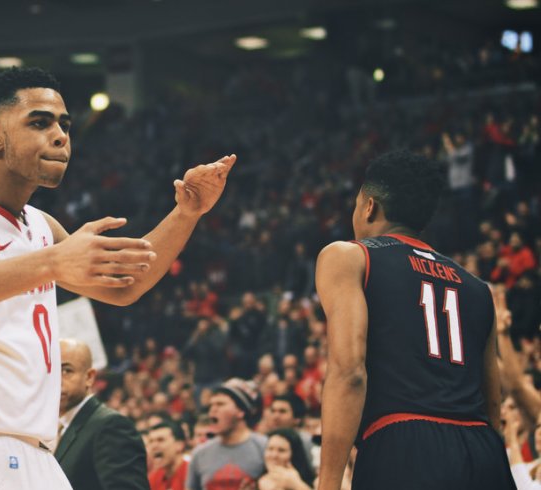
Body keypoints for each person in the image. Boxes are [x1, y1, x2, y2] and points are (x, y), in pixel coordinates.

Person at [0, 66, 235, 490]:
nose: (60, 135)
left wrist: (187, 212)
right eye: (39, 122)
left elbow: (127, 284)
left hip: (35, 451)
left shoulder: (40, 227)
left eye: (64, 124)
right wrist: (50, 264)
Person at [315, 150, 516, 490]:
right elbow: (491, 402)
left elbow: (349, 373)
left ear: (369, 206)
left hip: (403, 443)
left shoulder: (350, 256)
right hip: (483, 451)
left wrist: (329, 483)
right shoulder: (477, 287)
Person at [54, 339, 149, 490]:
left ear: (89, 377)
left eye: (66, 371)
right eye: (50, 371)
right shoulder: (49, 430)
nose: (56, 380)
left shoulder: (111, 426)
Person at [187, 378, 266, 490]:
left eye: (220, 404)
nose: (213, 410)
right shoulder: (199, 454)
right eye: (211, 405)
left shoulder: (265, 448)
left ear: (241, 411)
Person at [147, 421, 190, 490]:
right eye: (151, 441)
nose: (154, 446)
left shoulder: (192, 474)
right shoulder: (153, 479)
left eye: (161, 440)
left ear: (179, 445)